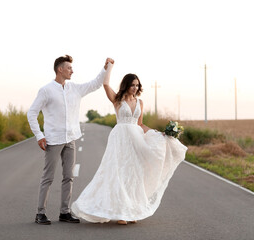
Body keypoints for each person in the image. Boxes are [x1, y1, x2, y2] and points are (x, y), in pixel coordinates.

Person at [71, 62, 187, 225]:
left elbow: (140, 124)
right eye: (132, 85)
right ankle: (121, 214)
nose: (135, 87)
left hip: (137, 139)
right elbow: (105, 84)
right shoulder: (117, 99)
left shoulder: (140, 102)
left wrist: (158, 133)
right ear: (126, 85)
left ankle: (132, 210)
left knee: (134, 173)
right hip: (120, 139)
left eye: (137, 85)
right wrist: (109, 66)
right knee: (120, 172)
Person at [27, 55, 114, 225]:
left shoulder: (75, 88)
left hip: (71, 138)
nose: (72, 71)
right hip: (53, 139)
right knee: (48, 177)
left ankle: (64, 212)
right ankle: (40, 213)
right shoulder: (46, 90)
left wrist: (107, 68)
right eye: (69, 68)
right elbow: (31, 113)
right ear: (60, 69)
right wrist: (39, 135)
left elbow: (96, 83)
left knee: (69, 176)